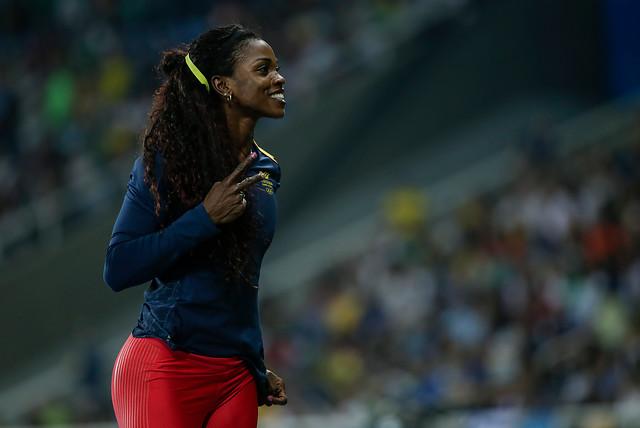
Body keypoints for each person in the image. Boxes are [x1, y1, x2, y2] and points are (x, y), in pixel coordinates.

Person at [103, 24, 288, 428]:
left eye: (276, 68)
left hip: (236, 377)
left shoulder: (266, 170)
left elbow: (244, 282)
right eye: (263, 69)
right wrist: (203, 219)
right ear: (224, 86)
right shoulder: (165, 162)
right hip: (166, 366)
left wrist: (254, 361)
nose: (279, 78)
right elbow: (117, 268)